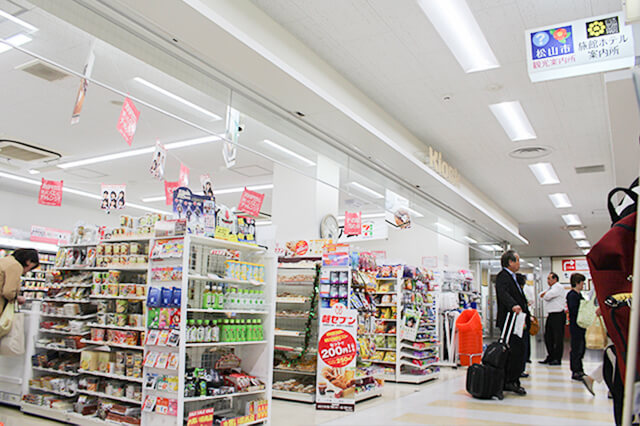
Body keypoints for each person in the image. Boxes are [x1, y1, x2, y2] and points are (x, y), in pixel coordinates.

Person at [495, 250, 529, 396]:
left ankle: (513, 378)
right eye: (517, 260)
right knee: (515, 350)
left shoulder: (513, 277)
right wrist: (513, 305)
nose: (519, 263)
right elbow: (503, 293)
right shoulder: (503, 277)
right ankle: (510, 381)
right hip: (509, 320)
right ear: (510, 262)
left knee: (519, 349)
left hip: (518, 318)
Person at [0, 248, 39, 312]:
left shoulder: (5, 260)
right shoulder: (16, 266)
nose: (26, 272)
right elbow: (8, 292)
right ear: (28, 261)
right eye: (30, 269)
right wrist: (17, 298)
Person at [539, 272, 565, 365]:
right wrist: (545, 293)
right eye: (547, 278)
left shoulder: (558, 287)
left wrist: (545, 294)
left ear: (555, 279)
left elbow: (547, 296)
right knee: (548, 337)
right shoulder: (550, 288)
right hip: (551, 315)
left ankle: (557, 358)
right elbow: (540, 295)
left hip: (558, 314)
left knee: (557, 338)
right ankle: (550, 356)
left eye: (549, 278)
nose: (548, 281)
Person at [566, 273, 587, 380]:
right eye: (582, 282)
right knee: (576, 348)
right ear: (577, 283)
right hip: (575, 325)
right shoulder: (572, 295)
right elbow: (574, 310)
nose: (583, 285)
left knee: (581, 348)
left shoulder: (579, 295)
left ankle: (580, 369)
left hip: (581, 325)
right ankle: (575, 370)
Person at [516, 273, 531, 375]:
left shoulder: (519, 292)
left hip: (521, 322)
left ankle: (521, 367)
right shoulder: (520, 293)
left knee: (521, 344)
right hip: (522, 322)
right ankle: (521, 368)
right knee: (522, 345)